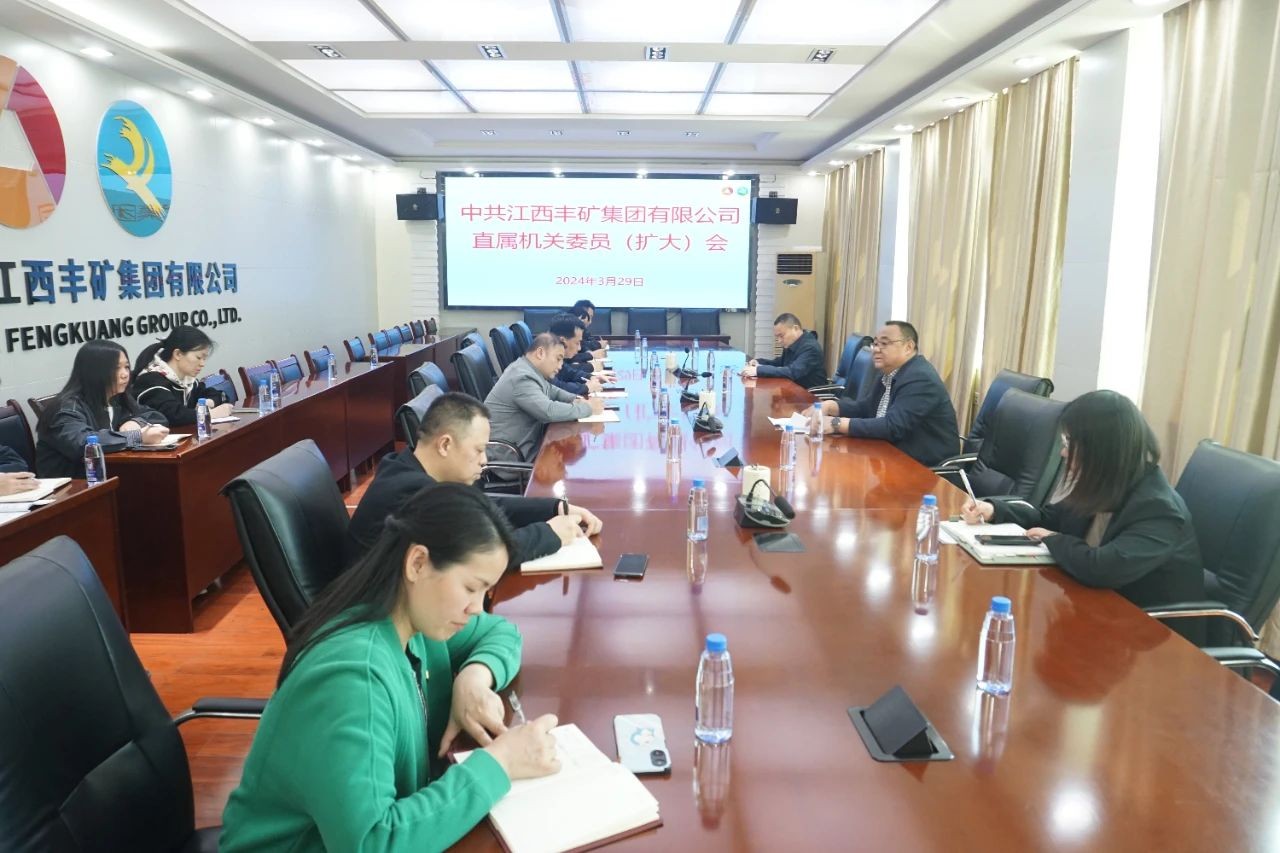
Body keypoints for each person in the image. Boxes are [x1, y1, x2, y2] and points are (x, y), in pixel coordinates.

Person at [220, 483, 561, 852]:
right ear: (417, 563)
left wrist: (474, 677)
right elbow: (372, 843)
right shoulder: (352, 680)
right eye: (470, 587)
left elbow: (501, 632)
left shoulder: (418, 623)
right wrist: (500, 763)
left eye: (485, 592)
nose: (476, 607)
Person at [961, 390, 1204, 622]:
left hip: (1150, 632)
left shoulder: (1158, 510)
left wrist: (1053, 539)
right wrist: (995, 510)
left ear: (1100, 449)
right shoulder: (1105, 481)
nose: (1063, 452)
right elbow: (1047, 519)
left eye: (1068, 442)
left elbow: (1102, 568)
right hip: (1096, 606)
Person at [346, 392, 603, 567]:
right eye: (478, 450)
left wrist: (556, 508)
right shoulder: (412, 492)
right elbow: (484, 553)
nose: (484, 460)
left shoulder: (407, 467)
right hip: (373, 617)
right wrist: (550, 533)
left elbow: (483, 506)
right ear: (445, 444)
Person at [819, 321, 960, 466]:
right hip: (891, 456)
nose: (876, 349)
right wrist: (831, 406)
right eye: (875, 344)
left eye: (884, 343)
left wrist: (837, 423)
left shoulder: (920, 378)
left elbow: (893, 426)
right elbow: (866, 408)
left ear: (908, 347)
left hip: (926, 468)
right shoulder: (888, 373)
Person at [36, 340, 170, 478]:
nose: (125, 374)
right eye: (116, 368)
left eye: (126, 367)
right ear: (94, 371)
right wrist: (137, 437)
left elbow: (157, 416)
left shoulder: (115, 398)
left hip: (109, 476)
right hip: (74, 485)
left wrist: (136, 421)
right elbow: (83, 443)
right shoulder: (66, 408)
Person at [485, 333, 601, 464]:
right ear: (540, 353)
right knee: (578, 461)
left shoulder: (527, 369)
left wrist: (575, 399)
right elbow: (548, 411)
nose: (560, 366)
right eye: (558, 359)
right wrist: (587, 408)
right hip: (512, 457)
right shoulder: (521, 377)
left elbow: (552, 390)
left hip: (527, 445)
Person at [131, 326, 234, 425]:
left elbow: (220, 395)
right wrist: (210, 414)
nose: (202, 364)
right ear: (178, 354)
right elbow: (173, 415)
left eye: (204, 359)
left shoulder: (188, 381)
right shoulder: (151, 381)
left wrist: (209, 402)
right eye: (198, 357)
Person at [741, 313, 827, 389]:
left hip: (810, 396)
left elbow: (792, 372)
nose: (779, 341)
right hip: (794, 390)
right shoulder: (793, 343)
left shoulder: (810, 348)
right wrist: (759, 362)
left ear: (795, 328)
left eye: (781, 336)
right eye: (777, 337)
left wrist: (758, 370)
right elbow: (779, 363)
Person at [548, 314, 607, 397]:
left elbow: (570, 373)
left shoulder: (555, 356)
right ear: (562, 340)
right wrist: (586, 387)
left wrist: (591, 377)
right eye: (577, 342)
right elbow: (557, 388)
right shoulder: (545, 359)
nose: (579, 348)